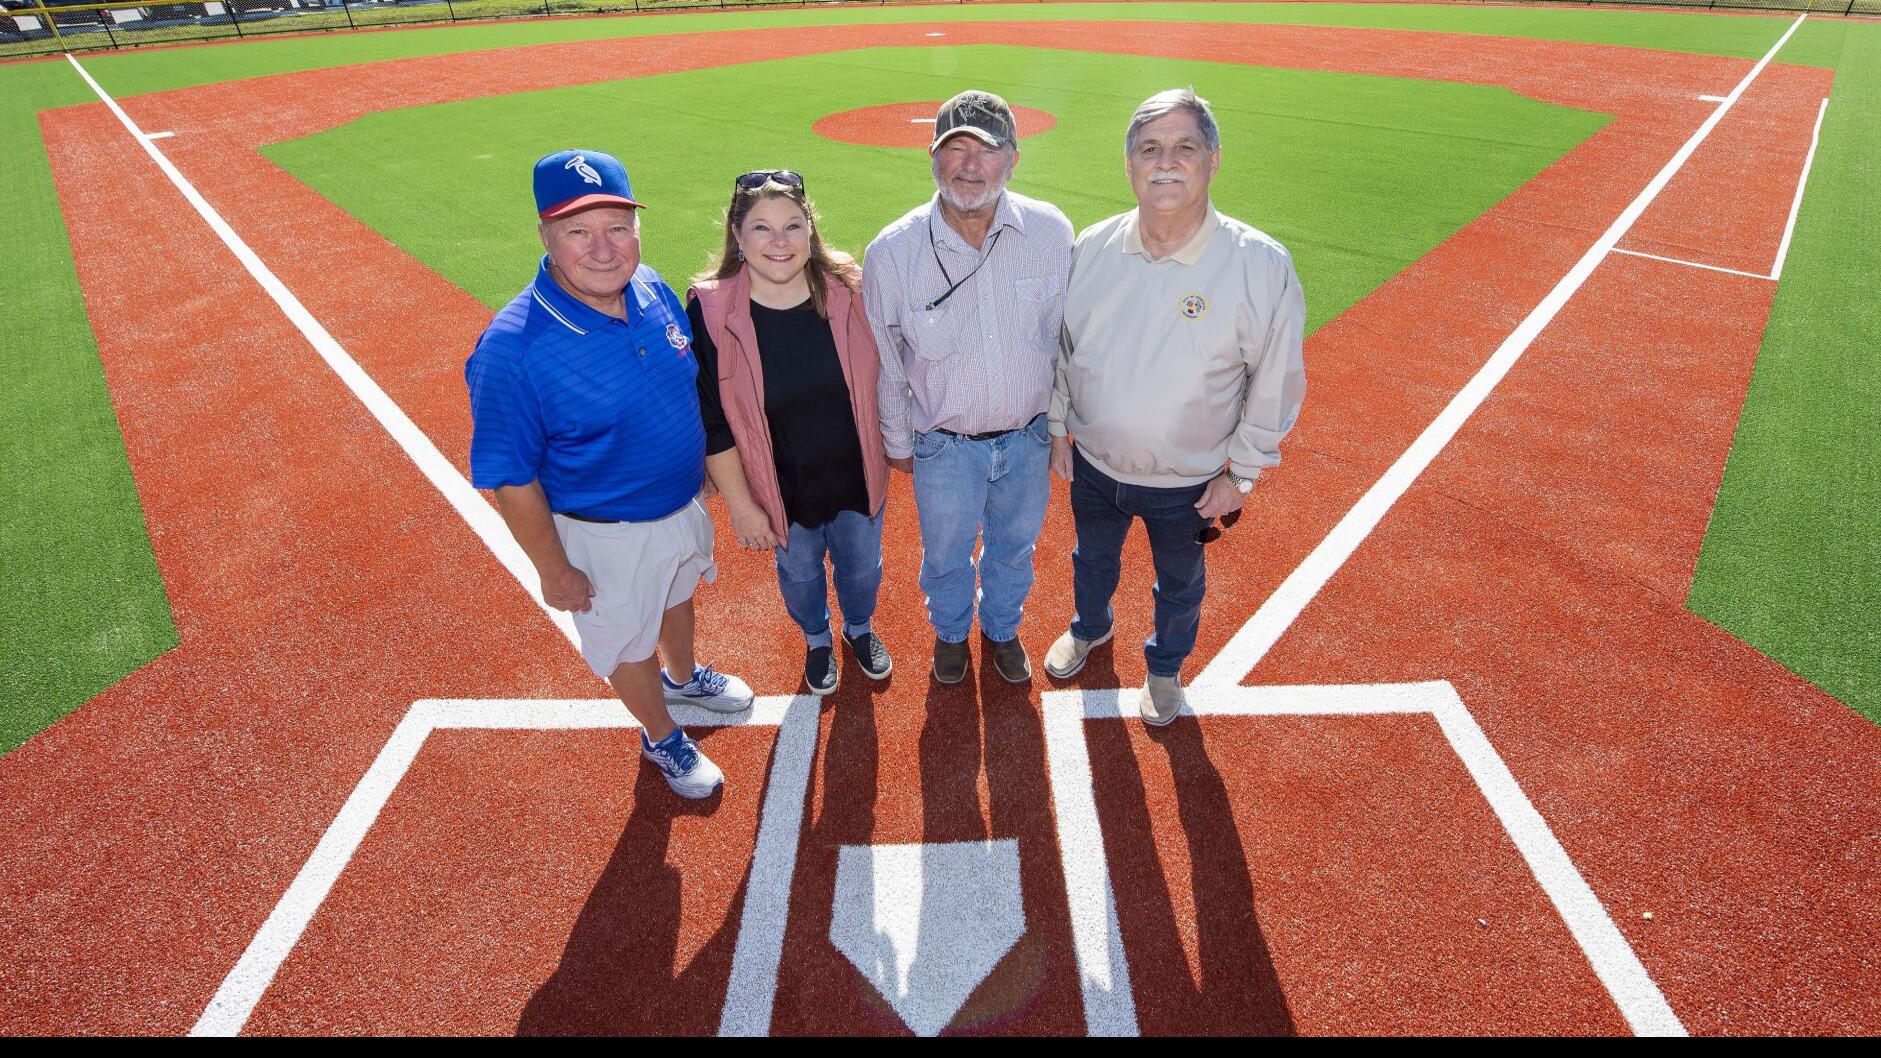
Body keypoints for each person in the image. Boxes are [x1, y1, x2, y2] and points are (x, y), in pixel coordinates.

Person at [466, 148, 754, 800]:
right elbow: (509, 477)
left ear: (636, 230)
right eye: (578, 231)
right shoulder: (512, 349)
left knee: (678, 593)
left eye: (617, 227)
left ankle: (683, 678)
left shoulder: (648, 287)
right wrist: (552, 569)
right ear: (545, 236)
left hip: (678, 506)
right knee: (626, 641)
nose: (603, 249)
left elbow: (680, 387)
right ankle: (662, 737)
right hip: (603, 535)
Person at [1046, 89, 1307, 726]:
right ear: (1129, 164)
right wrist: (1058, 428)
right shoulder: (1092, 248)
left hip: (1190, 485)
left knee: (1181, 585)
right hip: (1098, 470)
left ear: (1213, 160)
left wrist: (1240, 475)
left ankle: (1164, 669)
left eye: (1185, 148)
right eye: (1149, 149)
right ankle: (1091, 628)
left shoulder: (1260, 265)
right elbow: (1062, 348)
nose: (1166, 163)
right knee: (1091, 560)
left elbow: (1275, 381)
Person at [863, 90, 1074, 686]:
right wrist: (897, 441)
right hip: (943, 445)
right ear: (934, 160)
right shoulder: (893, 251)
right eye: (954, 148)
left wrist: (1060, 427)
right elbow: (887, 357)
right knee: (945, 557)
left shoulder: (1051, 232)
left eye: (987, 149)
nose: (969, 165)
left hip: (1029, 437)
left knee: (1014, 548)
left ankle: (1002, 628)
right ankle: (952, 634)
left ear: (1013, 158)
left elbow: (1065, 340)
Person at [687, 170, 893, 696]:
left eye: (792, 226)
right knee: (800, 575)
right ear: (737, 235)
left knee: (862, 568)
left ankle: (859, 627)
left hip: (854, 474)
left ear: (810, 230)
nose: (779, 242)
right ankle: (817, 637)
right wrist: (741, 504)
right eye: (761, 228)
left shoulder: (849, 288)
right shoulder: (711, 310)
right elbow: (711, 418)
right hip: (779, 486)